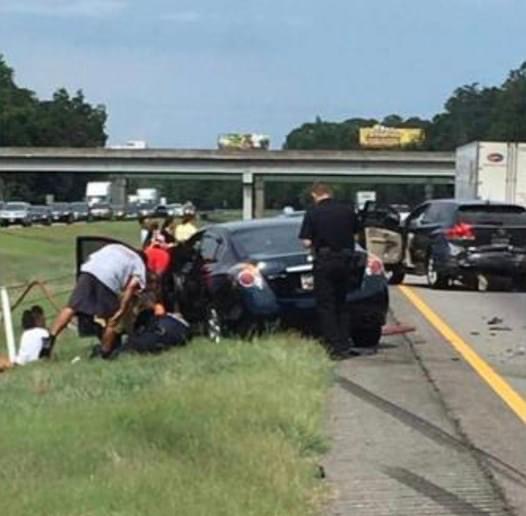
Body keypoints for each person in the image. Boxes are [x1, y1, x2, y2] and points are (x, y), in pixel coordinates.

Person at [43, 244, 148, 359]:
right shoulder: (139, 264)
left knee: (71, 307)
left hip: (88, 271)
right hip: (109, 280)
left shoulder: (115, 247)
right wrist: (122, 309)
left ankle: (50, 339)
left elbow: (93, 256)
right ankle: (105, 352)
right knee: (113, 320)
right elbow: (131, 287)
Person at [299, 182, 360, 359]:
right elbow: (356, 235)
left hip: (325, 261)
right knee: (342, 302)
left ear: (315, 195)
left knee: (326, 305)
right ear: (330, 193)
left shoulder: (313, 212)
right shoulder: (347, 210)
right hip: (346, 260)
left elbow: (306, 242)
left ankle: (333, 347)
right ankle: (345, 343)